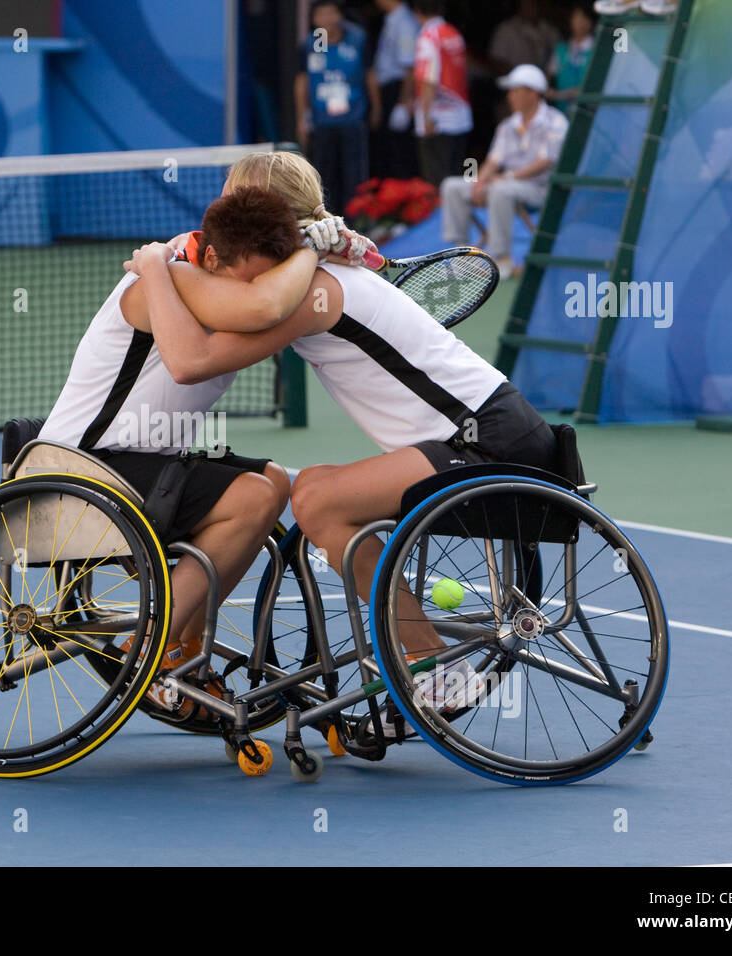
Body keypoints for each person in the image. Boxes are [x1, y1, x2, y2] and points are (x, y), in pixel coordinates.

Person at [125, 151, 561, 709]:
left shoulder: (312, 293)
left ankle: (428, 662)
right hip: (495, 432)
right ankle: (407, 651)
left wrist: (158, 268)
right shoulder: (323, 271)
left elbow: (197, 356)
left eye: (235, 211)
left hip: (485, 441)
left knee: (318, 500)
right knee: (316, 486)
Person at [39, 187, 347, 719]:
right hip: (82, 469)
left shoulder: (198, 268)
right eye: (242, 277)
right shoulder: (171, 280)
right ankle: (150, 657)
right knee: (251, 496)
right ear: (209, 257)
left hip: (139, 470)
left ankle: (179, 647)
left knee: (273, 482)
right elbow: (266, 305)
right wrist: (314, 250)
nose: (249, 289)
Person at [438, 63, 567, 278]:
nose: (510, 96)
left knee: (501, 189)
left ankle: (501, 258)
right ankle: (460, 255)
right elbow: (493, 160)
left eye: (516, 90)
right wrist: (480, 183)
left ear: (533, 93)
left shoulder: (556, 122)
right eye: (510, 91)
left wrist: (504, 178)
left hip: (542, 189)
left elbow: (545, 161)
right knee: (451, 186)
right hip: (506, 184)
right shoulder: (507, 125)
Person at [295, 0, 379, 213]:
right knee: (324, 176)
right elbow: (301, 82)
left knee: (356, 176)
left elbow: (370, 74)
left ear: (339, 15)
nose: (327, 20)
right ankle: (327, 222)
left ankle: (358, 223)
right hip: (322, 122)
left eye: (331, 13)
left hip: (353, 119)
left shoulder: (357, 39)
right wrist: (302, 118)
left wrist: (376, 107)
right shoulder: (310, 45)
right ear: (313, 20)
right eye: (321, 15)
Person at [410, 0, 472, 188]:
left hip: (438, 120)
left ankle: (443, 218)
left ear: (417, 12)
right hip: (460, 116)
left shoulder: (428, 36)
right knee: (457, 178)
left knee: (437, 183)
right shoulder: (453, 33)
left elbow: (428, 80)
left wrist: (427, 116)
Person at [370, 0, 420, 180]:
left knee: (400, 149)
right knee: (389, 148)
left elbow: (410, 68)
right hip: (388, 88)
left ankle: (405, 196)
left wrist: (403, 102)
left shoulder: (405, 22)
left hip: (398, 89)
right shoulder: (391, 19)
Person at [489, 0, 563, 80]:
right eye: (526, 3)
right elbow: (496, 61)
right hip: (514, 82)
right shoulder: (506, 29)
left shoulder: (550, 30)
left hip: (544, 82)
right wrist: (518, 77)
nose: (530, 7)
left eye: (533, 3)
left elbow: (561, 57)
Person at [547, 4, 596, 115]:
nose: (580, 22)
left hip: (588, 111)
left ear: (590, 23)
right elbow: (549, 75)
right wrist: (547, 91)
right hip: (561, 111)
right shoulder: (561, 49)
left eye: (584, 18)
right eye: (576, 18)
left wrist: (558, 94)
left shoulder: (596, 49)